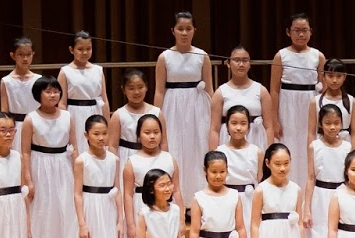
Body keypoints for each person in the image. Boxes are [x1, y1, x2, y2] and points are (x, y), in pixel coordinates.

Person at [154, 11, 214, 196]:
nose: (184, 33)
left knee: (197, 148)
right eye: (180, 29)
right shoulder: (165, 57)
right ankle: (176, 196)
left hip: (197, 108)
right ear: (173, 31)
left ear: (194, 30)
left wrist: (214, 118)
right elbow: (159, 90)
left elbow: (210, 89)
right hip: (173, 107)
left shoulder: (202, 56)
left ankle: (197, 197)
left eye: (188, 29)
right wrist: (156, 118)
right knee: (175, 147)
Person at [20, 76, 74, 238]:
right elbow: (25, 151)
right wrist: (28, 179)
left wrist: (78, 175)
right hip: (40, 165)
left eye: (56, 91)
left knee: (63, 210)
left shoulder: (67, 117)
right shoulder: (30, 119)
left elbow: (73, 147)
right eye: (48, 91)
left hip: (63, 165)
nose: (53, 95)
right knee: (43, 211)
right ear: (38, 95)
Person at [307, 104, 353, 238]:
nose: (332, 127)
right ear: (320, 124)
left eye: (336, 123)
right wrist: (306, 208)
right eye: (328, 123)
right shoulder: (314, 146)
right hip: (320, 195)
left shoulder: (347, 147)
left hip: (341, 195)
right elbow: (310, 177)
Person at [269, 13, 325, 153]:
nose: (301, 34)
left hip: (311, 102)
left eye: (304, 30)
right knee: (289, 142)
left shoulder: (318, 56)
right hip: (288, 104)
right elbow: (274, 90)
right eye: (297, 30)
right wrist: (274, 120)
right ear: (288, 32)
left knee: (310, 142)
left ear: (311, 32)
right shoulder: (281, 56)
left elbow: (324, 89)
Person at [208, 44, 273, 151]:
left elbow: (269, 127)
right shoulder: (220, 93)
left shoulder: (261, 91)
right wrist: (212, 156)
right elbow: (214, 129)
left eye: (245, 60)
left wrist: (271, 153)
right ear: (228, 63)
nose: (241, 64)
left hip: (256, 140)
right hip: (228, 140)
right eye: (237, 60)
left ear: (250, 64)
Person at [106, 67, 159, 186]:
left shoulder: (157, 113)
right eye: (131, 88)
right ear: (123, 90)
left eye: (140, 87)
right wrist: (113, 170)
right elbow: (113, 146)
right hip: (126, 157)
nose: (136, 92)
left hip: (151, 156)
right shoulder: (118, 114)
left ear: (146, 86)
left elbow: (164, 142)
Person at [57, 30, 108, 147]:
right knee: (77, 147)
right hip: (74, 113)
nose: (85, 52)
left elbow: (104, 99)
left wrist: (107, 123)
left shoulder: (98, 70)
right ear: (71, 50)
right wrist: (63, 123)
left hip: (95, 111)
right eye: (80, 49)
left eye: (88, 48)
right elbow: (62, 102)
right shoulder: (65, 71)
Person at [219, 106, 263, 220]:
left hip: (249, 201)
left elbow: (261, 183)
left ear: (249, 126)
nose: (238, 128)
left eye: (243, 123)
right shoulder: (220, 152)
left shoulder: (256, 152)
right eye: (234, 123)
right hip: (226, 200)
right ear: (227, 126)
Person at [308, 58, 355, 151]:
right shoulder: (315, 101)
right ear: (323, 76)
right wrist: (311, 153)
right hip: (322, 145)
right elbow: (311, 132)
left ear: (344, 76)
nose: (334, 80)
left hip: (345, 145)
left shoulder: (352, 101)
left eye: (339, 76)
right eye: (330, 76)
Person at [0, 36, 38, 123]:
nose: (25, 59)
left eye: (28, 54)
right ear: (13, 55)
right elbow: (4, 110)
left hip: (36, 124)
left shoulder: (39, 79)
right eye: (20, 54)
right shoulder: (6, 81)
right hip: (16, 125)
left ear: (33, 54)